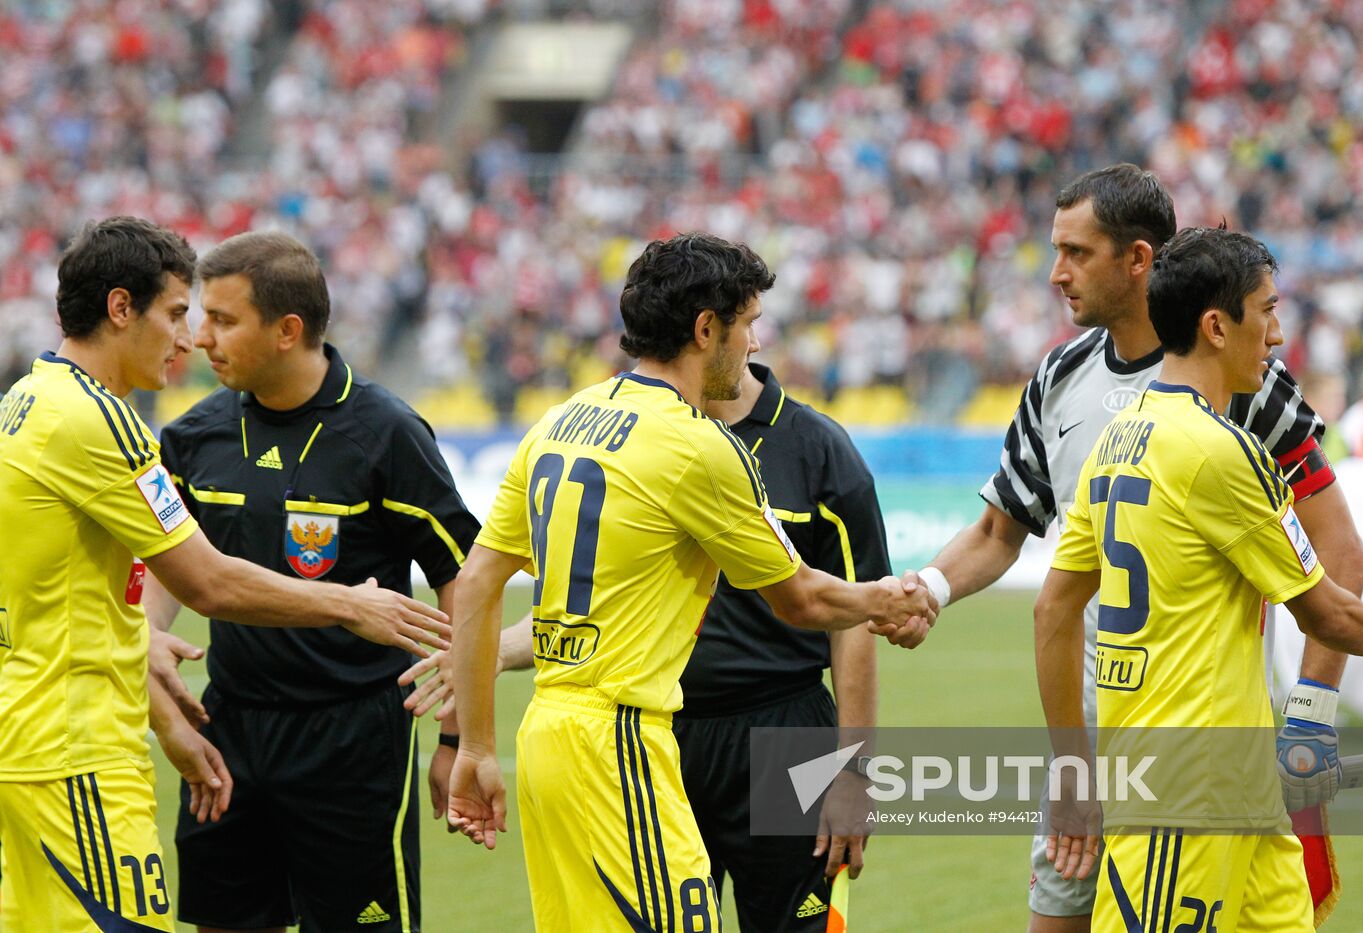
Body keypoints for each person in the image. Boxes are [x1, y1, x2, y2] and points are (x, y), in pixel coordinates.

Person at [912, 164, 1363, 932]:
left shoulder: (1241, 374)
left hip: (1200, 756)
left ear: (1139, 259)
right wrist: (927, 587)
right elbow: (998, 530)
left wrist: (1313, 714)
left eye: (1076, 252)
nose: (1056, 273)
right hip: (1084, 747)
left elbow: (1338, 546)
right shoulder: (1059, 376)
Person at [441, 232, 933, 932]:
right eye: (747, 323)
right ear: (706, 329)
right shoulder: (698, 444)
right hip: (629, 738)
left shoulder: (561, 421)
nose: (754, 342)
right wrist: (884, 598)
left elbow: (477, 581)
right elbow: (802, 598)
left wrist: (476, 744)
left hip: (562, 731)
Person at [0, 217, 449, 932]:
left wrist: (156, 693)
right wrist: (347, 604)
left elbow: (101, 591)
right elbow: (204, 581)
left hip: (39, 737)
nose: (189, 340)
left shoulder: (25, 401)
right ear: (121, 309)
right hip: (76, 750)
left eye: (210, 318)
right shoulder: (101, 420)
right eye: (178, 314)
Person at [1034, 225, 1363, 933]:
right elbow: (1327, 613)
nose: (1276, 334)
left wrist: (1073, 768)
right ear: (1215, 326)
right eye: (1266, 311)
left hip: (1232, 789)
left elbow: (1053, 609)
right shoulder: (1219, 452)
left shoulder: (1117, 439)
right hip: (1184, 794)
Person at [141, 230, 479, 933]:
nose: (201, 338)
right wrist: (149, 632)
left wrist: (457, 737)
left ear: (287, 330)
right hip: (228, 727)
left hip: (352, 737)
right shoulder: (193, 435)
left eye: (224, 320)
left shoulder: (386, 432)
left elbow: (460, 577)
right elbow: (173, 558)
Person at [489, 360, 886, 930]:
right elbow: (600, 599)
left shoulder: (817, 448)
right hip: (654, 737)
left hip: (785, 735)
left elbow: (854, 617)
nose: (749, 336)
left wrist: (855, 771)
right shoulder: (634, 438)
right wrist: (494, 652)